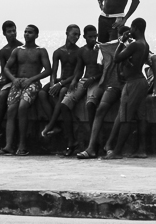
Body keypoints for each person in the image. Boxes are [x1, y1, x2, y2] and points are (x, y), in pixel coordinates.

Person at [0, 25, 51, 156]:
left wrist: (31, 79)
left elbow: (48, 70)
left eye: (30, 32)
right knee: (11, 110)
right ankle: (8, 146)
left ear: (36, 35)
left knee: (23, 107)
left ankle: (22, 145)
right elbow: (6, 68)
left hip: (33, 83)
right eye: (25, 32)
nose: (27, 34)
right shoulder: (17, 50)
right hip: (18, 82)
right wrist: (14, 79)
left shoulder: (40, 50)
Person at [77, 26, 130, 159]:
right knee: (100, 109)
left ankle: (109, 144)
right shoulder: (106, 47)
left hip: (129, 85)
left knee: (122, 111)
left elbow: (152, 58)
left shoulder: (135, 46)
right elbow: (101, 68)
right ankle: (91, 147)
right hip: (113, 84)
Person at [101, 18, 150, 160]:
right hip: (141, 82)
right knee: (141, 117)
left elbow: (116, 58)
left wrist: (121, 41)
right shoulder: (145, 44)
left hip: (133, 83)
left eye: (132, 29)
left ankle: (117, 151)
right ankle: (142, 150)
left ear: (136, 28)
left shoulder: (135, 44)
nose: (130, 31)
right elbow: (133, 62)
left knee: (126, 118)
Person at [57, 25, 103, 155]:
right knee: (65, 105)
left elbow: (105, 71)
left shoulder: (100, 50)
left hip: (97, 81)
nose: (93, 39)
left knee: (90, 104)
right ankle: (71, 142)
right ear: (85, 37)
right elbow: (79, 70)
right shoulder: (82, 51)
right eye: (90, 37)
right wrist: (73, 81)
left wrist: (93, 78)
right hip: (84, 80)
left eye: (95, 36)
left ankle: (93, 144)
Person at [39, 24, 80, 138]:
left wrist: (61, 84)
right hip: (60, 79)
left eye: (78, 35)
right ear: (67, 33)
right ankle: (55, 124)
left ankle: (50, 125)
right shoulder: (58, 51)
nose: (76, 37)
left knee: (62, 92)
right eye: (74, 34)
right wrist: (53, 84)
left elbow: (77, 74)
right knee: (42, 93)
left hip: (70, 81)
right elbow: (54, 71)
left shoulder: (79, 52)